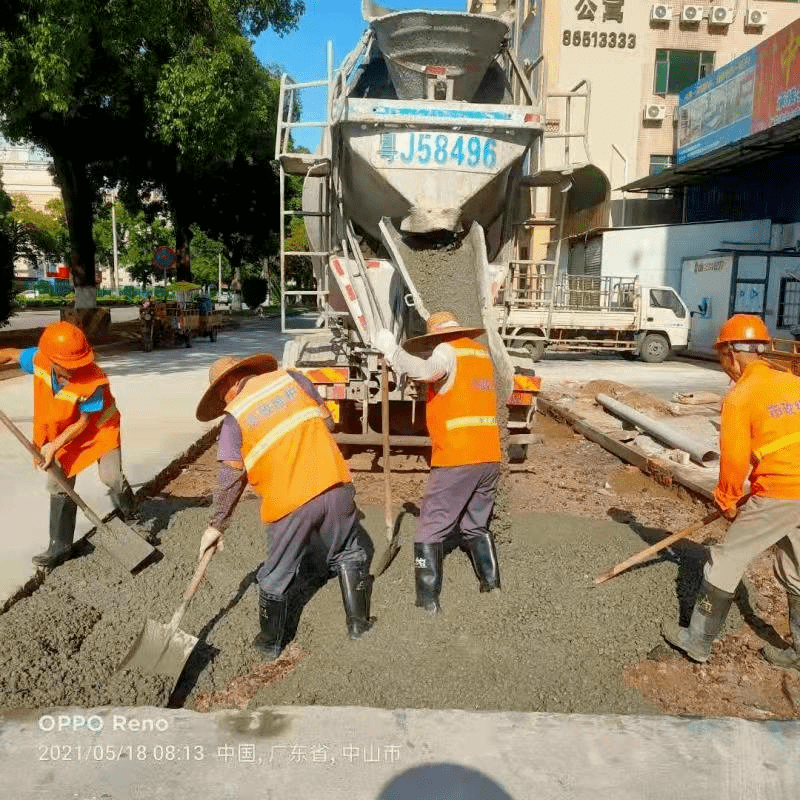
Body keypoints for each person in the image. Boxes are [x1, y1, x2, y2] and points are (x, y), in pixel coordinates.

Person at [195, 354, 374, 660]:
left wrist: (216, 525)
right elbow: (329, 422)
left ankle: (270, 643)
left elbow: (229, 479)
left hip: (291, 504)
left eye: (221, 395)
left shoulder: (234, 419)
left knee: (276, 573)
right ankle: (358, 625)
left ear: (227, 384)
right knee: (348, 551)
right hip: (337, 485)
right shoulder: (293, 379)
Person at [662, 314, 800, 671]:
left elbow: (734, 462)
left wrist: (725, 500)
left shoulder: (741, 396)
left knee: (725, 560)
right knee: (796, 568)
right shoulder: (792, 383)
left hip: (781, 491)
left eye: (722, 356)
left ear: (730, 354)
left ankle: (696, 641)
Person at [375, 311, 503, 614]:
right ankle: (492, 586)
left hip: (458, 457)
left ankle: (427, 603)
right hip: (489, 456)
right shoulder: (480, 353)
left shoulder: (447, 351)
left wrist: (392, 352)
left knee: (430, 528)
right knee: (474, 524)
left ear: (437, 335)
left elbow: (429, 372)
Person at [0, 322, 136, 567]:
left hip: (98, 430)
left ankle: (131, 514)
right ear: (51, 359)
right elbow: (9, 355)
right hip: (62, 432)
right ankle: (60, 546)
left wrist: (53, 446)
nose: (76, 369)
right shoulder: (39, 360)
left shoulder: (94, 380)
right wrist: (53, 445)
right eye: (69, 365)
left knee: (111, 477)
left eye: (79, 362)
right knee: (58, 482)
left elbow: (84, 422)